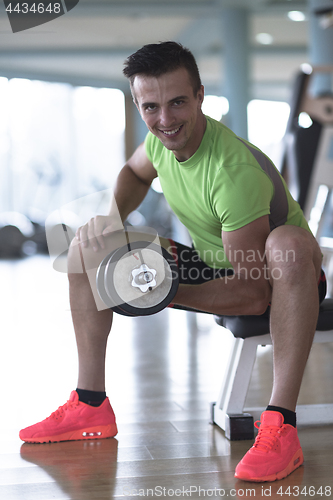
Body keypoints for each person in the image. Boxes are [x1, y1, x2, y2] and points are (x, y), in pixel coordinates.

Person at [19, 42, 326, 483]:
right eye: (151, 106)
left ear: (200, 95)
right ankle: (90, 403)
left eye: (179, 102)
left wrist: (164, 289)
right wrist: (110, 219)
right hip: (217, 264)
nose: (166, 120)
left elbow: (255, 291)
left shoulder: (232, 173)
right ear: (138, 103)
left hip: (279, 279)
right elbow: (135, 172)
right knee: (86, 248)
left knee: (289, 244)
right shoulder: (159, 141)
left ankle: (281, 426)